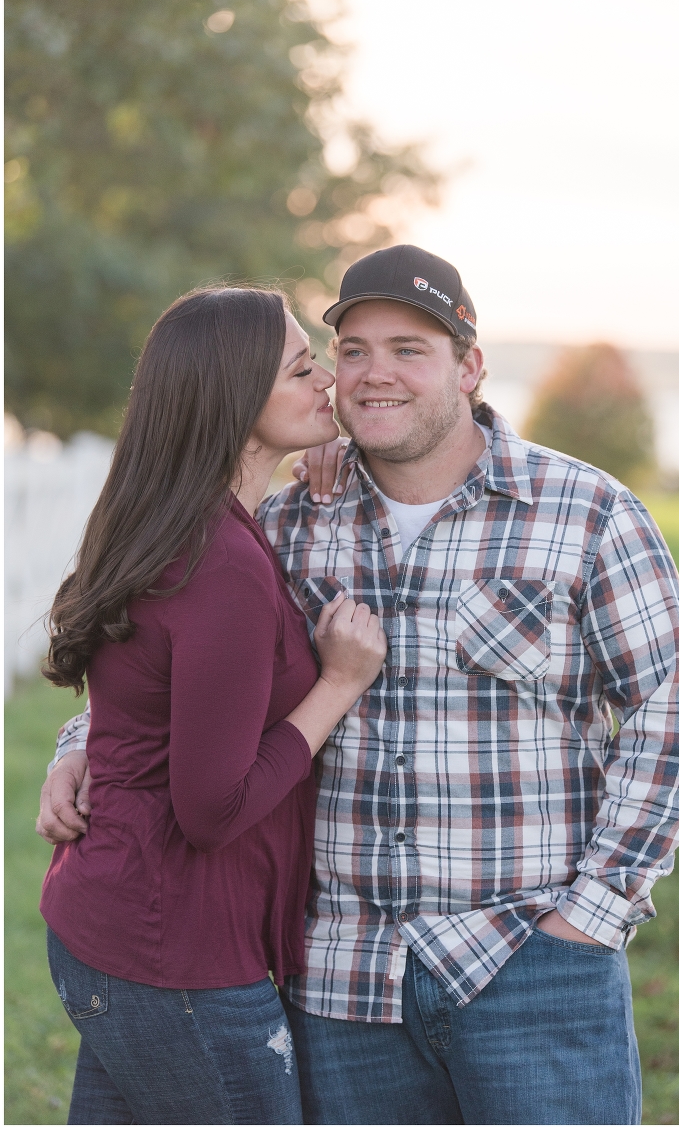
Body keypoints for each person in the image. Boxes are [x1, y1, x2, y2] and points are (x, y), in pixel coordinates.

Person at [39, 246, 679, 1126]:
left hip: (527, 961)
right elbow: (168, 665)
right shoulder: (286, 520)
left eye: (409, 348)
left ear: (468, 367)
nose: (372, 374)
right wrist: (83, 741)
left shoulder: (585, 513)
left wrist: (590, 917)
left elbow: (673, 712)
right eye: (351, 349)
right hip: (343, 977)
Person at [37, 286, 387, 1125]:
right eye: (304, 369)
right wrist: (338, 685)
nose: (327, 385)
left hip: (120, 930)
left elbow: (143, 701)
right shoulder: (221, 560)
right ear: (234, 396)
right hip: (177, 958)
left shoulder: (180, 523)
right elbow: (213, 808)